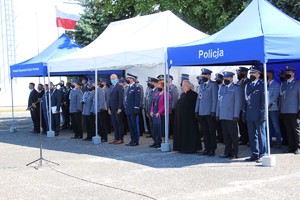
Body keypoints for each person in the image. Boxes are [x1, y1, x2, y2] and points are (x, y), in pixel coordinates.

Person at [217, 72, 242, 159]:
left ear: (231, 78)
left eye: (227, 78)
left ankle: (235, 153)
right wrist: (218, 113)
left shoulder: (236, 88)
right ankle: (227, 152)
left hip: (231, 116)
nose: (225, 80)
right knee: (226, 135)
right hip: (223, 115)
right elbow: (219, 101)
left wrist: (236, 115)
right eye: (224, 78)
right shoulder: (222, 88)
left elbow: (238, 103)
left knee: (233, 135)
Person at [244, 66, 266, 162]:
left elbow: (264, 101)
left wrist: (263, 114)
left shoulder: (262, 85)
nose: (251, 75)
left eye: (253, 74)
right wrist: (244, 112)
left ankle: (263, 154)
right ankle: (254, 153)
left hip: (258, 114)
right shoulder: (248, 85)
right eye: (250, 74)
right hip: (250, 114)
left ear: (258, 75)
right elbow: (245, 100)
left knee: (261, 135)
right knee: (252, 135)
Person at [173, 80, 201, 153]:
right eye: (182, 86)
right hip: (181, 118)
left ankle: (191, 148)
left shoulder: (194, 95)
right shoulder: (182, 95)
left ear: (189, 85)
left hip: (190, 118)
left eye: (184, 85)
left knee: (190, 132)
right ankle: (182, 147)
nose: (183, 87)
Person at [195, 68, 218, 156]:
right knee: (204, 131)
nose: (203, 77)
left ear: (209, 76)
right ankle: (206, 148)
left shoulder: (213, 85)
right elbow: (198, 99)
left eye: (205, 75)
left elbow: (214, 99)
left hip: (209, 112)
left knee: (211, 131)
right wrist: (196, 110)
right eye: (202, 75)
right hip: (201, 112)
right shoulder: (201, 85)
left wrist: (213, 111)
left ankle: (212, 149)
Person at [280, 66, 300, 154]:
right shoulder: (283, 84)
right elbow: (281, 98)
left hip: (294, 110)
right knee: (288, 130)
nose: (287, 74)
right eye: (286, 73)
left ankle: (298, 147)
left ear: (293, 73)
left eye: (289, 73)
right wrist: (281, 110)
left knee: (296, 130)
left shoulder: (297, 83)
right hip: (285, 110)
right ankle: (290, 146)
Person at [150, 80, 171, 148]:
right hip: (155, 113)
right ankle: (156, 141)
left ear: (163, 86)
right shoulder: (157, 93)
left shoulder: (167, 94)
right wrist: (151, 111)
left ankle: (161, 142)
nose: (158, 86)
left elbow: (165, 105)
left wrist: (159, 112)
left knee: (161, 128)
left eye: (159, 85)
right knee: (155, 128)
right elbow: (153, 103)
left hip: (161, 114)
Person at [124, 73, 141, 146]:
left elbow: (137, 99)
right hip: (128, 109)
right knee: (130, 126)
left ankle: (136, 141)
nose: (127, 80)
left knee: (135, 126)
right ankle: (132, 139)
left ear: (132, 79)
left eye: (128, 78)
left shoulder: (136, 87)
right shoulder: (129, 87)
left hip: (133, 110)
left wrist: (136, 108)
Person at [267, 70, 282, 147]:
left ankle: (279, 142)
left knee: (276, 126)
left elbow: (274, 97)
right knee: (268, 126)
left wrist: (266, 104)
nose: (267, 76)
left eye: (268, 75)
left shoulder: (276, 84)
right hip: (266, 109)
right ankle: (269, 142)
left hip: (273, 108)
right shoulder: (264, 84)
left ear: (271, 75)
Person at [109, 74, 125, 144]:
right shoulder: (111, 87)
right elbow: (110, 99)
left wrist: (120, 108)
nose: (112, 80)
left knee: (119, 124)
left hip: (117, 108)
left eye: (114, 78)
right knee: (114, 124)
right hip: (112, 108)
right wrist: (109, 108)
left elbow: (121, 99)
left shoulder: (119, 87)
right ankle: (116, 138)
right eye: (111, 79)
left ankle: (120, 138)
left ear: (117, 79)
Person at [236, 67, 250, 145]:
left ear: (245, 73)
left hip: (246, 106)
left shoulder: (249, 81)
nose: (239, 74)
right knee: (240, 123)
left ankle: (248, 138)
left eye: (241, 72)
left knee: (246, 123)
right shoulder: (238, 82)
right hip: (239, 106)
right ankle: (243, 138)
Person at [145, 77, 159, 146]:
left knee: (156, 127)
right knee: (152, 127)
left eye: (151, 83)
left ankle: (158, 141)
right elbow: (147, 101)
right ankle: (155, 141)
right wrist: (147, 111)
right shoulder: (150, 90)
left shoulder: (158, 91)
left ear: (155, 83)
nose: (150, 84)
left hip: (155, 112)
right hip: (149, 112)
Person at [215, 73, 224, 143]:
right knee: (217, 124)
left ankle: (223, 138)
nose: (217, 80)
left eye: (218, 79)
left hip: (222, 108)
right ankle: (220, 137)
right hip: (215, 108)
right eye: (216, 79)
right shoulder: (215, 86)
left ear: (221, 79)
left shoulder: (223, 86)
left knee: (222, 124)